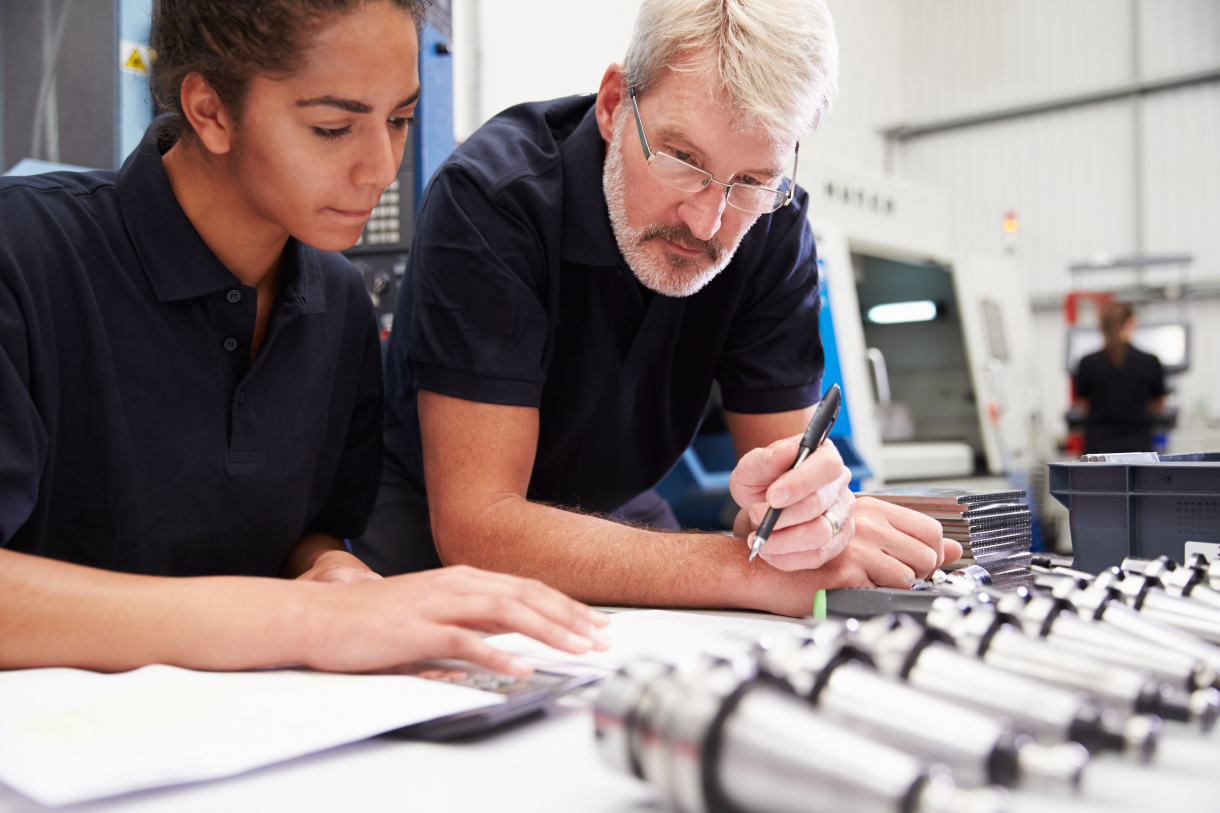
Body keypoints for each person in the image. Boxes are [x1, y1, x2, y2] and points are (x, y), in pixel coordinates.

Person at [0, 0, 607, 674]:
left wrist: (332, 570)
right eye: (332, 127)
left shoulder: (338, 299)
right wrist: (302, 620)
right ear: (209, 111)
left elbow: (306, 531)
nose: (380, 166)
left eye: (400, 119)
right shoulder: (24, 255)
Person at [361, 0, 962, 617]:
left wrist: (812, 518)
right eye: (683, 160)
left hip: (617, 507)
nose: (709, 222)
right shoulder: (493, 201)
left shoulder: (772, 227)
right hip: (433, 516)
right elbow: (480, 526)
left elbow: (785, 501)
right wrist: (743, 571)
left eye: (752, 181)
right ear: (614, 103)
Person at [1075, 302, 1167, 454]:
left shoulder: (1087, 363)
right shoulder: (1150, 361)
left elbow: (1083, 407)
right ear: (1131, 322)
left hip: (1098, 450)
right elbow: (1158, 406)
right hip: (1138, 449)